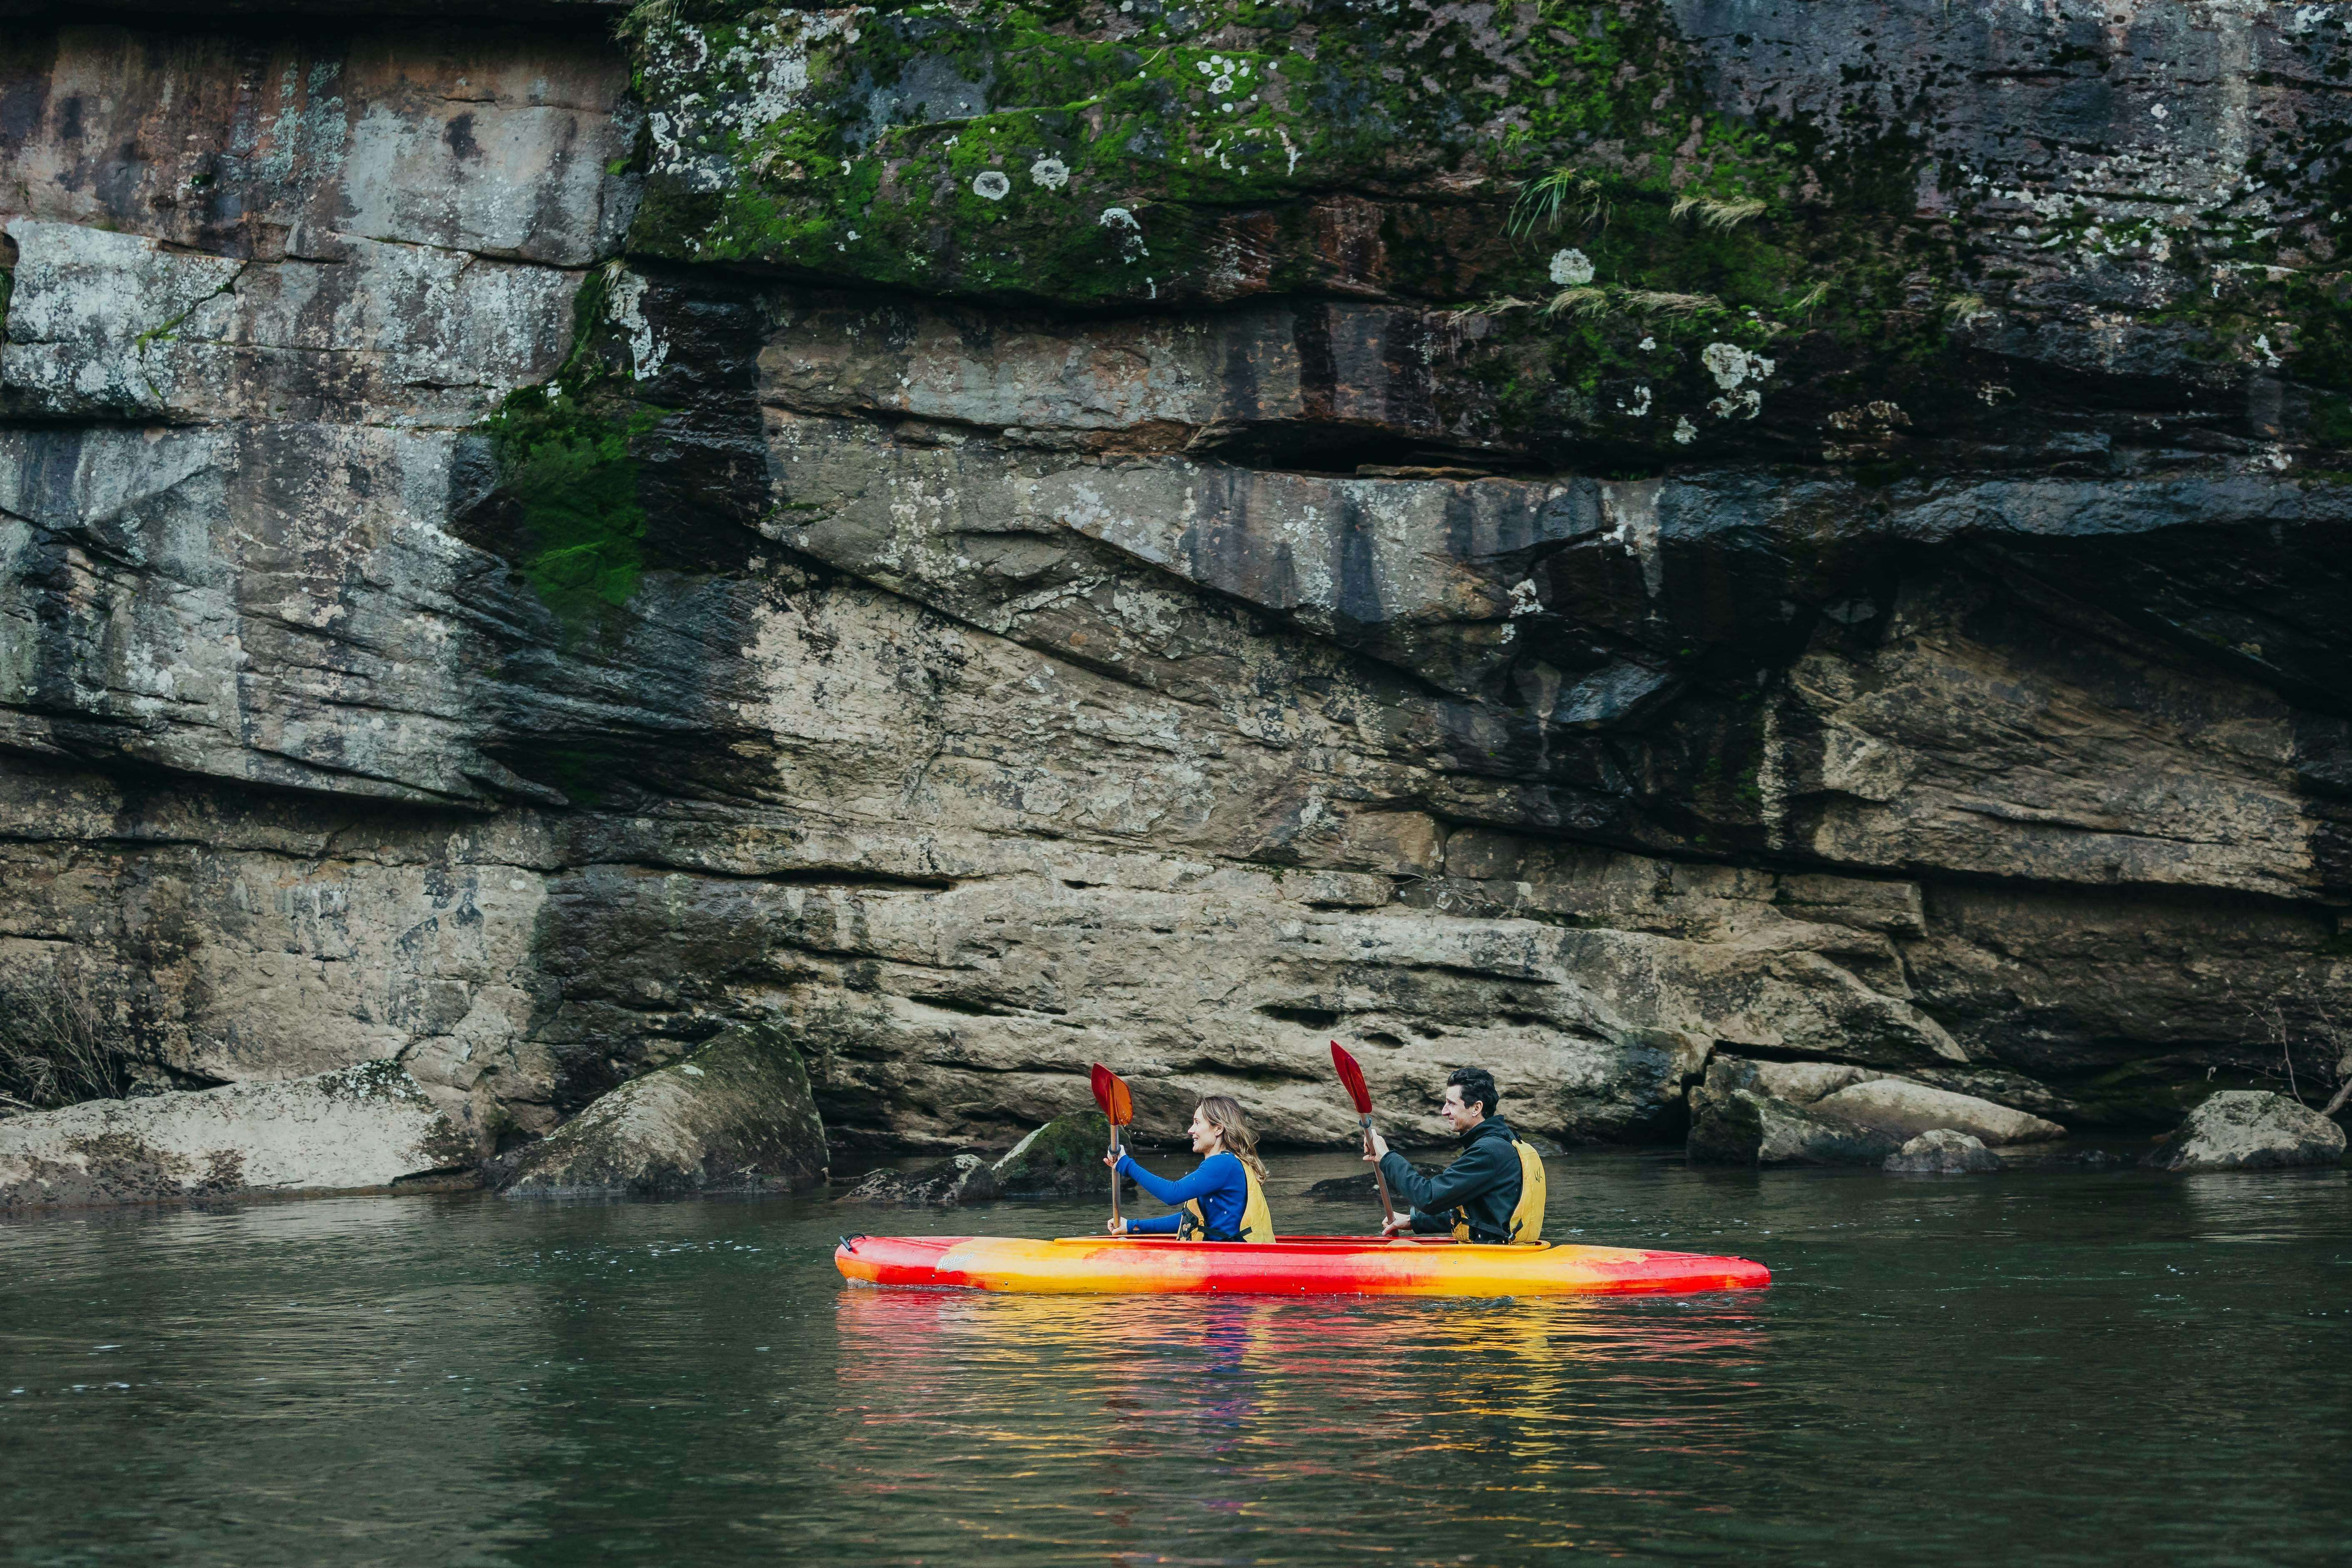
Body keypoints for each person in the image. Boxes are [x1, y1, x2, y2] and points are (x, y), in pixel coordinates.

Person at [1363, 1067, 1547, 1243]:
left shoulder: (1489, 1152)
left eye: (1451, 1104)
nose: (1444, 1111)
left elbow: (1428, 1198)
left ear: (1476, 1108)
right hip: (1501, 1251)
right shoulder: (1503, 1142)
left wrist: (1387, 1157)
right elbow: (1479, 1216)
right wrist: (1415, 1221)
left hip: (1493, 1258)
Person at [1103, 1094, 1276, 1242]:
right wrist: (1132, 1226)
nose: (1190, 1130)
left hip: (1228, 1260)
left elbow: (1172, 1194)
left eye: (1197, 1123)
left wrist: (1127, 1165)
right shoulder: (1227, 1164)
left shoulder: (1223, 1164)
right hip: (1225, 1255)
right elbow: (1191, 1221)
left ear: (1218, 1129)